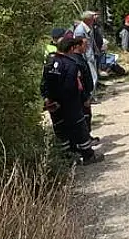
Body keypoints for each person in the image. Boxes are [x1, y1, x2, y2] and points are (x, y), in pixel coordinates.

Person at [41, 36, 102, 165]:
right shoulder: (71, 64)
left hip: (53, 104)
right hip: (69, 104)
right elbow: (73, 86)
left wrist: (48, 99)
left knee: (61, 131)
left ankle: (68, 158)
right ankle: (88, 156)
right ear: (72, 48)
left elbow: (44, 83)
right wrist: (83, 99)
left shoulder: (50, 61)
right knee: (79, 128)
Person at [72, 11, 99, 88]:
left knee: (94, 76)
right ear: (87, 19)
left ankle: (92, 95)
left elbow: (91, 40)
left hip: (91, 55)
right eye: (92, 18)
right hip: (86, 57)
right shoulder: (79, 31)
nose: (94, 19)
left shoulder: (90, 27)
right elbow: (79, 46)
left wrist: (96, 49)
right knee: (93, 77)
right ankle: (90, 96)